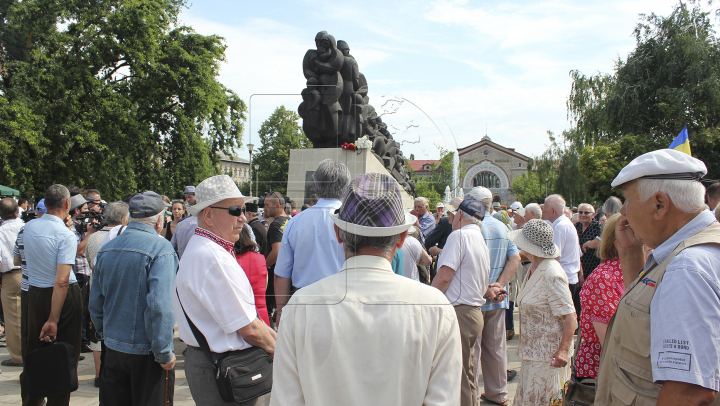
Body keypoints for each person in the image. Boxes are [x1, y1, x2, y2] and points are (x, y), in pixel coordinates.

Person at [270, 173, 462, 406]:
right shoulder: (436, 307)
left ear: (338, 233)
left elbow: (285, 401)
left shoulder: (300, 306)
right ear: (401, 238)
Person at [595, 149, 720, 405]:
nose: (624, 212)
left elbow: (689, 393)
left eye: (628, 201)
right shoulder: (692, 251)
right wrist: (630, 253)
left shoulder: (686, 268)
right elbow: (647, 318)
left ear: (659, 204)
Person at [173, 175, 275, 406]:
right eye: (234, 210)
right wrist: (282, 353)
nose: (242, 218)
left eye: (244, 209)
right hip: (225, 367)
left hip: (220, 362)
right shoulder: (212, 257)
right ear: (208, 215)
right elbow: (249, 327)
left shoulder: (208, 249)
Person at [90, 192, 178, 405]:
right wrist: (164, 351)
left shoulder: (107, 247)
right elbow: (159, 306)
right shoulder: (161, 249)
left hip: (113, 347)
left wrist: (105, 332)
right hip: (145, 352)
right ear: (159, 220)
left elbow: (96, 302)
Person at [432, 198, 499, 406]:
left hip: (460, 312)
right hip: (471, 312)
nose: (450, 218)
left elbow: (444, 276)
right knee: (466, 374)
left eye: (452, 215)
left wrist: (427, 302)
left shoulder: (459, 235)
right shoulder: (478, 237)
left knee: (458, 374)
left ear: (460, 215)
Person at [20, 184, 83, 406]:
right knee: (64, 357)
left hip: (35, 293)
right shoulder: (65, 235)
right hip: (62, 297)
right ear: (67, 204)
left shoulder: (28, 227)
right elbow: (62, 280)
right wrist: (53, 319)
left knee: (33, 351)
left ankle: (31, 400)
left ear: (45, 204)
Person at [509, 219, 577, 405]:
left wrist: (563, 350)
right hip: (534, 353)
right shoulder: (534, 267)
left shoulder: (551, 273)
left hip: (548, 357)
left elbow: (570, 316)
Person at [274, 159, 350, 325]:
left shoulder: (294, 222)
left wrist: (281, 311)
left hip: (304, 306)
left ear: (315, 188)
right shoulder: (352, 222)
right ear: (346, 189)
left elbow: (281, 274)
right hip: (345, 306)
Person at [467, 187, 521, 405]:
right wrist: (499, 284)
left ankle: (470, 395)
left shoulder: (472, 228)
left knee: (473, 351)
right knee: (497, 349)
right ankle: (498, 394)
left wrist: (487, 287)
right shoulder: (502, 226)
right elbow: (515, 258)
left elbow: (469, 265)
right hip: (497, 299)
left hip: (474, 299)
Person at [575, 213, 627, 379]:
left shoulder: (631, 273)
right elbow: (608, 340)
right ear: (619, 243)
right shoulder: (604, 278)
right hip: (602, 371)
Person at [544, 194, 582, 316]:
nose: (543, 211)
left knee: (562, 318)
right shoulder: (563, 224)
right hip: (568, 277)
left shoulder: (560, 227)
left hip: (563, 278)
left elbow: (553, 256)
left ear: (552, 210)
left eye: (545, 208)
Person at [0, 198, 25, 366]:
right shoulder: (25, 226)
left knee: (13, 319)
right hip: (29, 272)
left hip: (10, 275)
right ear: (17, 211)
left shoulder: (1, 231)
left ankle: (18, 356)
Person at [262, 191, 290, 322]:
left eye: (267, 205)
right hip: (289, 277)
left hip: (276, 276)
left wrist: (263, 266)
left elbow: (276, 252)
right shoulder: (291, 221)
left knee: (270, 312)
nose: (265, 208)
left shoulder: (275, 225)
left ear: (277, 205)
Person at [235, 226, 270, 326]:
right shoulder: (260, 258)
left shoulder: (230, 260)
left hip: (241, 318)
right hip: (261, 314)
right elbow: (265, 286)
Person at [86, 202, 129, 267]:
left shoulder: (92, 236)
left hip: (96, 276)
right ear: (122, 219)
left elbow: (90, 264)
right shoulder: (126, 238)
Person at [575, 203, 603, 280]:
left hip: (594, 268)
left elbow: (600, 242)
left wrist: (589, 244)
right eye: (580, 212)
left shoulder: (598, 226)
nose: (583, 215)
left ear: (593, 215)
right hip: (578, 268)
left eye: (586, 212)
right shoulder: (576, 227)